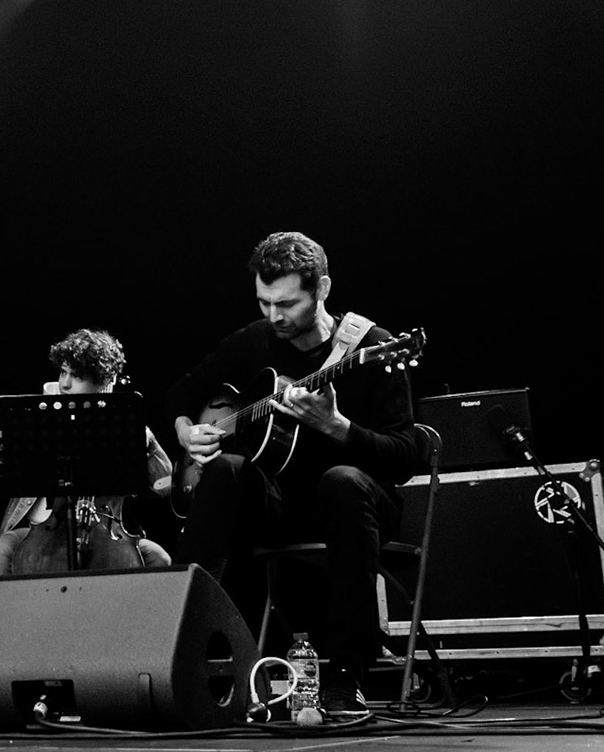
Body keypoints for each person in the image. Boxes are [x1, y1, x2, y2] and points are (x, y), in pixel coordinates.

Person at [165, 231, 424, 722]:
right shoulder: (256, 340)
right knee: (223, 470)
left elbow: (406, 456)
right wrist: (184, 432)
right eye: (263, 302)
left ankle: (347, 679)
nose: (273, 316)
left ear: (322, 287)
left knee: (342, 481)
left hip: (357, 508)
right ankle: (188, 656)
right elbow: (182, 391)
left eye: (286, 303)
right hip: (281, 505)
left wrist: (336, 426)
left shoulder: (375, 348)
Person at [0, 328, 172, 574]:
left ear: (105, 382)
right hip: (38, 529)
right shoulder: (37, 418)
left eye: (78, 376)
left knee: (159, 559)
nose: (65, 384)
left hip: (104, 533)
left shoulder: (123, 427)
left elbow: (164, 485)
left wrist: (147, 441)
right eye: (63, 372)